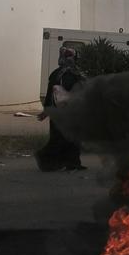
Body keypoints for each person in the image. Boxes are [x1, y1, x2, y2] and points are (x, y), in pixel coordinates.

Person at [35, 43, 86, 172]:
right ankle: (45, 159)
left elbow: (49, 95)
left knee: (71, 139)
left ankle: (73, 163)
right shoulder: (69, 74)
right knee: (60, 140)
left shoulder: (56, 74)